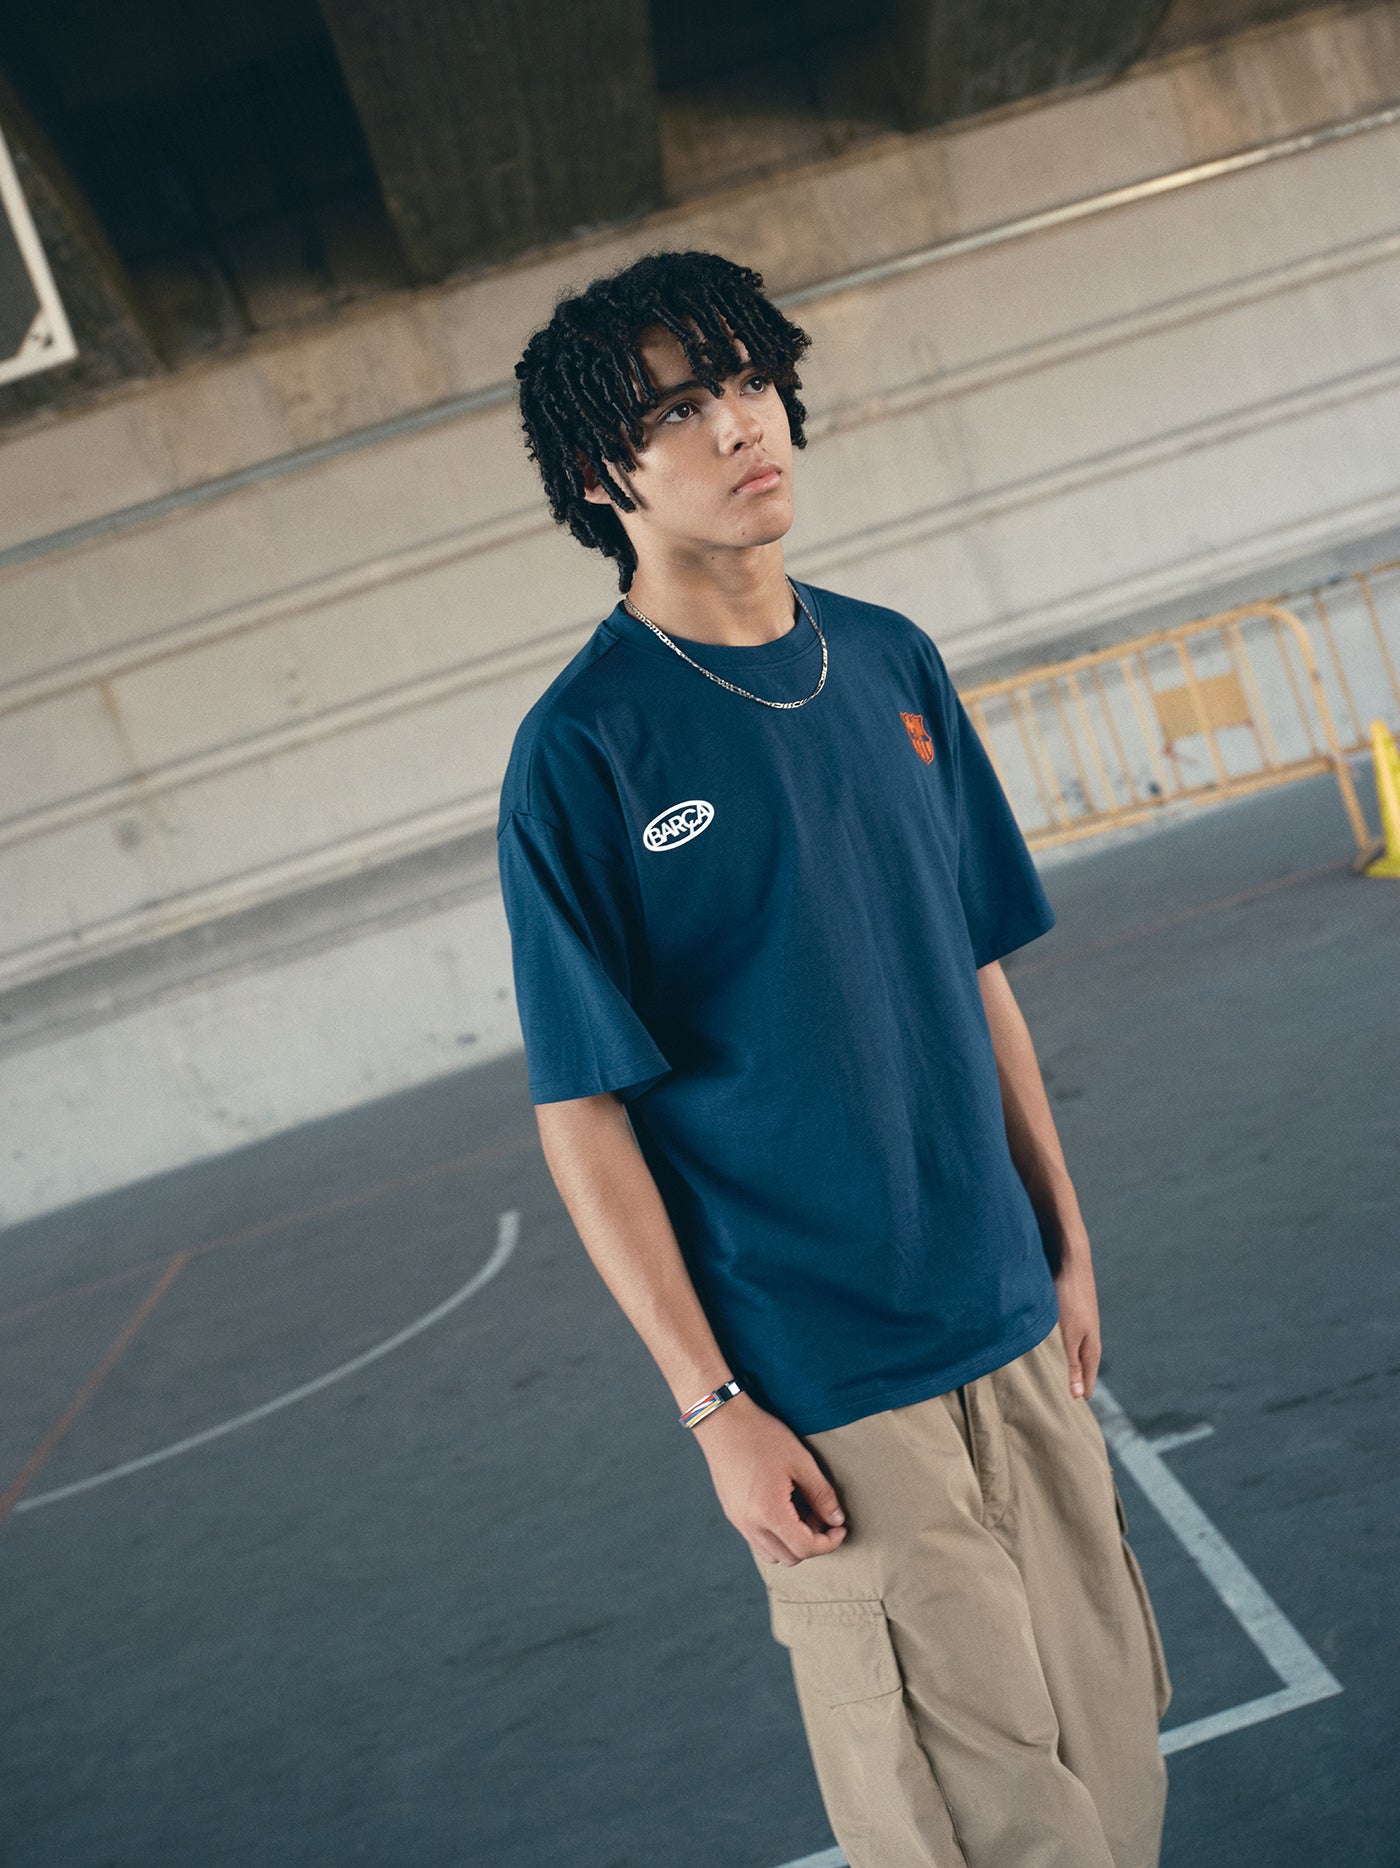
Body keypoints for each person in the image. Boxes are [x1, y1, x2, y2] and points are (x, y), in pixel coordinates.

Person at [498, 247, 1171, 1867]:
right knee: (980, 1830)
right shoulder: (584, 753)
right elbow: (584, 1112)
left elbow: (973, 969)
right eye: (682, 407)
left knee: (1117, 1770)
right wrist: (713, 1403)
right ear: (607, 473)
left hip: (1010, 1320)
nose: (742, 424)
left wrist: (1062, 1231)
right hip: (824, 1382)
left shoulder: (889, 662)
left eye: (748, 383)